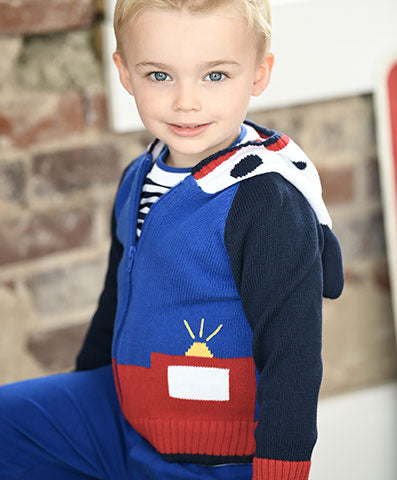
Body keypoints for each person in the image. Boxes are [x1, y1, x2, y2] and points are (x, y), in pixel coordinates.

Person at [0, 1, 345, 479]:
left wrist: (281, 469)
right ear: (124, 72)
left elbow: (293, 356)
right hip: (123, 411)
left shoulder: (264, 201)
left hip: (210, 453)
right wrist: (86, 383)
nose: (187, 101)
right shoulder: (138, 177)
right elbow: (116, 298)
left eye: (216, 76)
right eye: (159, 76)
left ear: (259, 73)